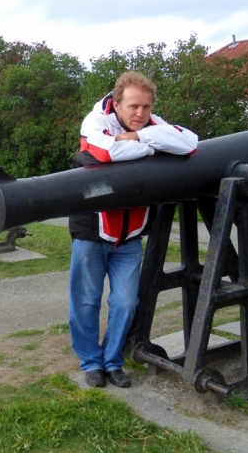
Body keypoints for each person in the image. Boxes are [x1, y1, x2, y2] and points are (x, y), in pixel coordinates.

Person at [68, 71, 197, 388]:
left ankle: (112, 361)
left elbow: (189, 143)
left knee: (126, 302)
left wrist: (139, 139)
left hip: (129, 237)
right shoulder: (95, 122)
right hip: (92, 232)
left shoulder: (148, 125)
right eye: (133, 107)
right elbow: (106, 153)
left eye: (147, 107)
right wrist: (156, 147)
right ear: (116, 103)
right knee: (86, 302)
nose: (141, 114)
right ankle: (91, 362)